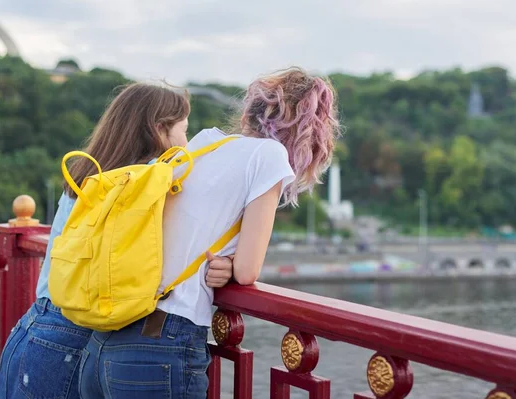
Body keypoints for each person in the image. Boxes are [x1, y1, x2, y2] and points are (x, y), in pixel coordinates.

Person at [79, 66, 341, 398]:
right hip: (162, 341)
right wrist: (233, 265)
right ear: (310, 129)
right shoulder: (269, 156)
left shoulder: (205, 142)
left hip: (105, 340)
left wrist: (228, 262)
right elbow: (248, 271)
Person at [0, 83, 234, 399]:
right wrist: (227, 263)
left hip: (35, 328)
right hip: (71, 342)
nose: (186, 143)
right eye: (183, 130)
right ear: (159, 129)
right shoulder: (147, 183)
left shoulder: (87, 176)